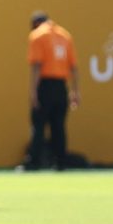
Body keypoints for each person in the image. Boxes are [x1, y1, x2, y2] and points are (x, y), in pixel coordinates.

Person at [24, 12, 79, 171]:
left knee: (38, 125)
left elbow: (37, 65)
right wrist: (75, 91)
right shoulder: (65, 35)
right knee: (59, 126)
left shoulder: (37, 35)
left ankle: (34, 162)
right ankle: (60, 161)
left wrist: (33, 91)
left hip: (45, 85)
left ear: (35, 24)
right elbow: (73, 67)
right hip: (62, 86)